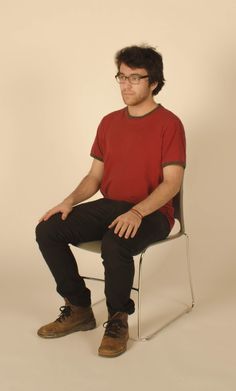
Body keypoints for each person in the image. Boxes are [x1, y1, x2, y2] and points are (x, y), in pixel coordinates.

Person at [35, 45, 186, 358]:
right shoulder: (108, 122)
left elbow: (172, 183)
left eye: (135, 78)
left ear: (154, 82)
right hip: (112, 206)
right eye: (121, 77)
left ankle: (118, 319)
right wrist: (68, 201)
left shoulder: (169, 124)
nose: (126, 85)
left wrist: (137, 211)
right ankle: (78, 308)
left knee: (115, 241)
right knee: (48, 229)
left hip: (153, 213)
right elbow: (94, 177)